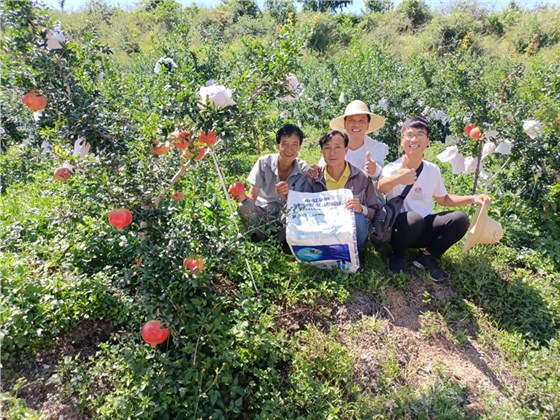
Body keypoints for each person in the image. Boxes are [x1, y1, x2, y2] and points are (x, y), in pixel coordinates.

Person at [377, 116, 492, 282]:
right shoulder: (392, 168)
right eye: (409, 135)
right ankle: (398, 255)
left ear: (427, 141)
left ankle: (427, 257)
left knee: (460, 219)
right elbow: (381, 187)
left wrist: (474, 198)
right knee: (413, 219)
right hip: (400, 229)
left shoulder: (432, 170)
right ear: (402, 142)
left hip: (424, 228)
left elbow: (444, 199)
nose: (414, 139)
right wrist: (398, 178)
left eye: (420, 134)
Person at [230, 123, 308, 243]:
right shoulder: (263, 163)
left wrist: (287, 194)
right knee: (244, 206)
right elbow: (252, 197)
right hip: (263, 214)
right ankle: (261, 241)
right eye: (285, 144)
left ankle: (277, 245)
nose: (289, 149)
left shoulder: (303, 169)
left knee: (294, 212)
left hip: (284, 219)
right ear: (278, 146)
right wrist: (242, 197)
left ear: (299, 148)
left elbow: (299, 203)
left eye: (294, 145)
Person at [304, 130, 380, 250]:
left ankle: (356, 252)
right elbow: (304, 209)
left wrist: (361, 209)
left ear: (346, 150)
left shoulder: (362, 177)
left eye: (337, 147)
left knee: (358, 219)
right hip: (324, 227)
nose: (332, 153)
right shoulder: (314, 178)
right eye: (327, 148)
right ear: (322, 152)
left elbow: (374, 210)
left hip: (351, 231)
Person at [326, 100, 388, 180]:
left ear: (368, 124)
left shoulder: (377, 147)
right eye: (352, 120)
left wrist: (374, 170)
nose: (356, 124)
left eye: (361, 120)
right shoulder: (333, 146)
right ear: (345, 123)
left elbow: (381, 178)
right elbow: (323, 168)